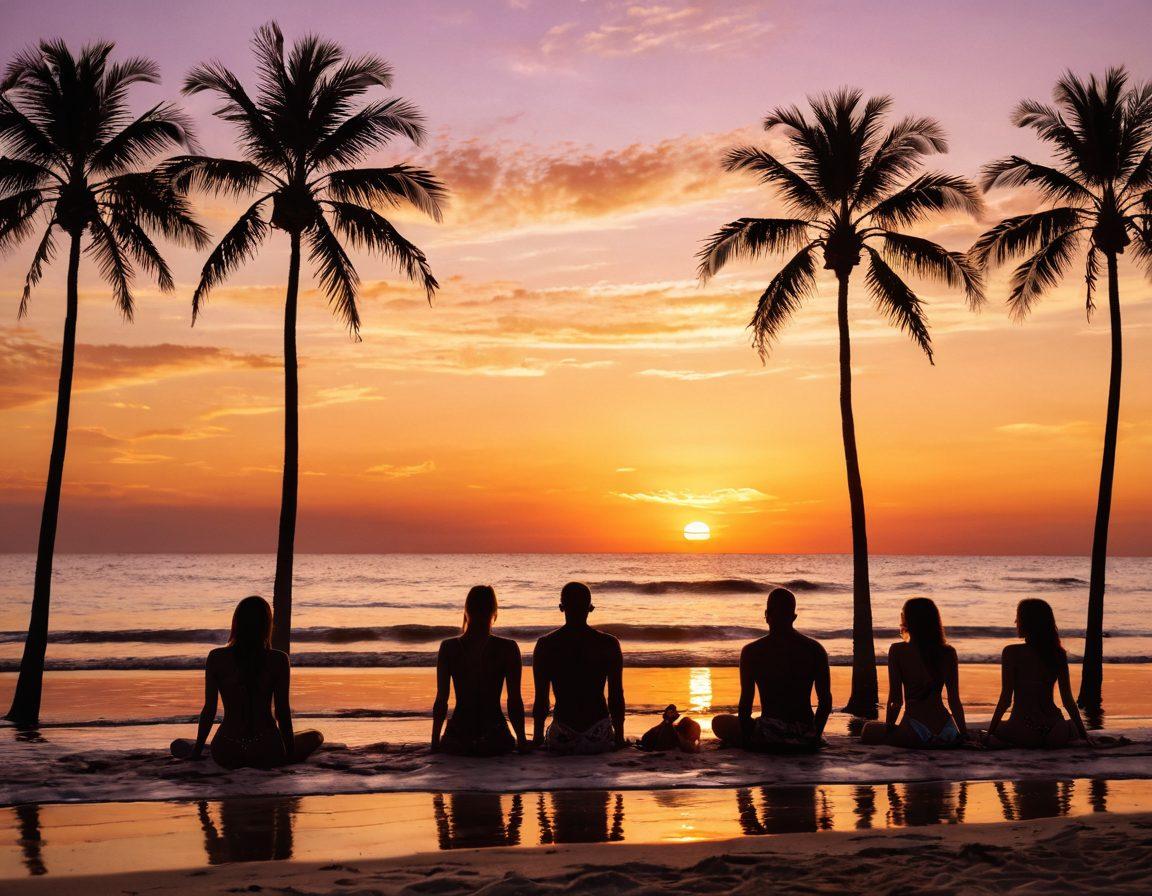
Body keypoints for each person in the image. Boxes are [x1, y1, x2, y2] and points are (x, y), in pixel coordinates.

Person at [170, 595, 324, 769]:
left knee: (190, 744)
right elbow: (282, 711)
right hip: (265, 748)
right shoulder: (278, 660)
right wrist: (288, 754)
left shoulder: (216, 657)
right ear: (267, 625)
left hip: (226, 749)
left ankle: (200, 747)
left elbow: (209, 709)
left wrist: (196, 752)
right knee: (315, 735)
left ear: (236, 623)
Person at [711, 587, 832, 752]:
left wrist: (748, 739)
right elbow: (825, 702)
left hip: (768, 733)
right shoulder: (815, 649)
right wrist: (815, 736)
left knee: (719, 723)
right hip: (804, 733)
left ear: (766, 615)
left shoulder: (752, 651)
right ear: (793, 617)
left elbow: (745, 704)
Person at [431, 585, 528, 755]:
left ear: (466, 611)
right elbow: (514, 701)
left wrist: (434, 743)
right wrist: (522, 740)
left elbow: (441, 700)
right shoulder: (508, 648)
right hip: (495, 737)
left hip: (458, 738)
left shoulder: (448, 647)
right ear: (494, 612)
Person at [862, 597, 968, 748]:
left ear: (908, 621)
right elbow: (954, 700)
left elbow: (896, 699)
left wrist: (889, 727)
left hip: (915, 726)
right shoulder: (948, 652)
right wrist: (963, 733)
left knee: (868, 729)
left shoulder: (897, 651)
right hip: (946, 727)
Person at [533, 582, 625, 754]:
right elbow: (616, 697)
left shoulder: (546, 644)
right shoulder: (608, 644)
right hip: (598, 735)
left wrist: (537, 738)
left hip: (563, 736)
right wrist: (619, 738)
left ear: (561, 607)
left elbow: (541, 700)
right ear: (590, 608)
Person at [984, 598, 1090, 748]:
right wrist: (1084, 735)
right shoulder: (1058, 654)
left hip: (1023, 729)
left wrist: (990, 733)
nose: (1015, 622)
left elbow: (1005, 699)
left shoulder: (1011, 652)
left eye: (1018, 618)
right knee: (1071, 727)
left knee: (985, 733)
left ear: (1026, 622)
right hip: (1055, 728)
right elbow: (1067, 700)